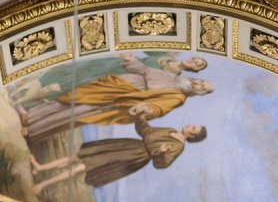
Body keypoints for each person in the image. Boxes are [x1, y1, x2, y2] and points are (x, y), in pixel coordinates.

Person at [17, 53, 213, 143]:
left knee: (78, 112)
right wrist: (132, 61)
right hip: (119, 83)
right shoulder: (175, 77)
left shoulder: (178, 97)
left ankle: (33, 129)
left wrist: (146, 109)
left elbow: (159, 108)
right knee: (72, 97)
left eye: (202, 88)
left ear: (199, 93)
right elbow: (146, 71)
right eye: (201, 82)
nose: (198, 85)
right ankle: (32, 116)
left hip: (123, 100)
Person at [29, 115, 207, 194]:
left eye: (194, 128)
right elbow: (146, 131)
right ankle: (40, 167)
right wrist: (140, 117)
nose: (190, 126)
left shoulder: (178, 147)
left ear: (193, 135)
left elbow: (161, 164)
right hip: (126, 145)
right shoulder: (170, 130)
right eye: (193, 124)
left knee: (81, 167)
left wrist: (158, 153)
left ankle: (44, 185)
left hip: (132, 157)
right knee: (78, 156)